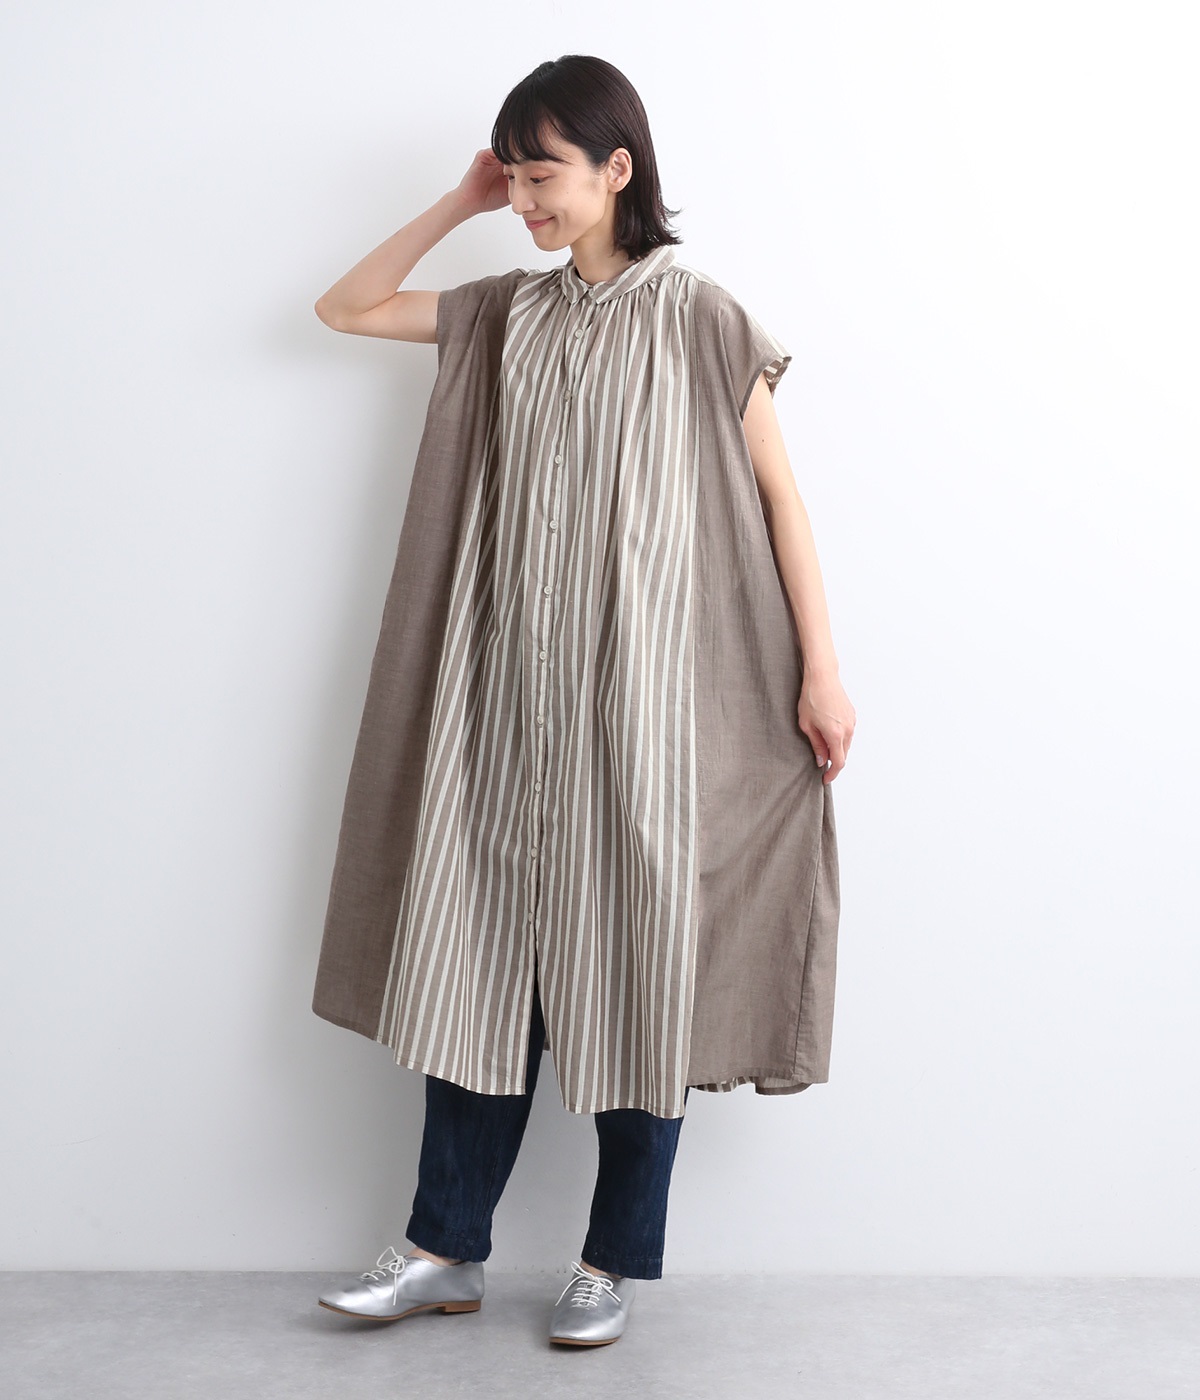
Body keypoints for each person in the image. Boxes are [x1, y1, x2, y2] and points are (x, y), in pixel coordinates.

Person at [309, 54, 855, 1348]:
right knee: (477, 968)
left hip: (649, 710)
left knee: (637, 967)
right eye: (513, 176)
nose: (527, 199)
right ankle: (443, 1247)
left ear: (619, 168)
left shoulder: (704, 318)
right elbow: (347, 306)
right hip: (502, 704)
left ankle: (611, 1263)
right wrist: (460, 200)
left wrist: (821, 669)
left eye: (542, 173)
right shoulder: (506, 312)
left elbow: (779, 498)